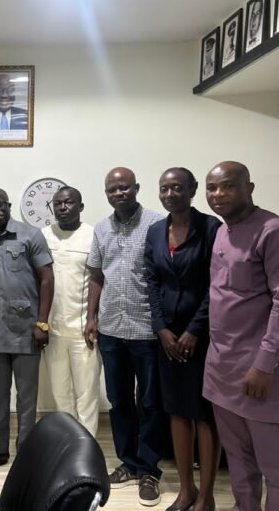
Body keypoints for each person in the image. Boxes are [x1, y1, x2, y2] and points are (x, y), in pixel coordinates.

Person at [204, 161, 279, 511]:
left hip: (260, 371)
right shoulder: (222, 231)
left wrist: (264, 365)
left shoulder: (277, 232)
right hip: (222, 368)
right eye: (212, 187)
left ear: (249, 188)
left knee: (275, 467)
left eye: (227, 186)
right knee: (238, 459)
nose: (218, 195)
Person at [84, 167, 164, 507]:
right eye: (113, 189)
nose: (119, 193)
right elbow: (97, 275)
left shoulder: (157, 224)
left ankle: (149, 469)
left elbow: (164, 274)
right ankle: (128, 463)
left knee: (150, 402)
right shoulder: (101, 228)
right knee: (119, 402)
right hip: (111, 330)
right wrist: (91, 316)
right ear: (106, 194)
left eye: (124, 187)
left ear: (136, 188)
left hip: (147, 330)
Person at [144, 168, 221, 511]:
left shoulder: (211, 228)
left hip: (202, 336)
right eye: (164, 188)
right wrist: (161, 329)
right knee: (176, 410)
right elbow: (151, 282)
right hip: (168, 339)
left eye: (178, 187)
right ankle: (186, 491)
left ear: (192, 190)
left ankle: (206, 495)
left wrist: (194, 330)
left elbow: (215, 285)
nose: (170, 193)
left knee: (204, 414)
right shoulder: (155, 231)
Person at [0, 188, 53, 472]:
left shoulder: (30, 235)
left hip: (26, 330)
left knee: (27, 398)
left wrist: (42, 323)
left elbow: (47, 279)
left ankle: (25, 455)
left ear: (8, 205)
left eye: (0, 203)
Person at [40, 186, 101, 436]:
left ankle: (88, 449)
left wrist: (93, 319)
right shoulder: (43, 235)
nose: (63, 207)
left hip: (82, 329)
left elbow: (98, 278)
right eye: (58, 203)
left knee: (87, 393)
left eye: (69, 203)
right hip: (52, 330)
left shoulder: (93, 235)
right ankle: (68, 446)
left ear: (81, 207)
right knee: (59, 394)